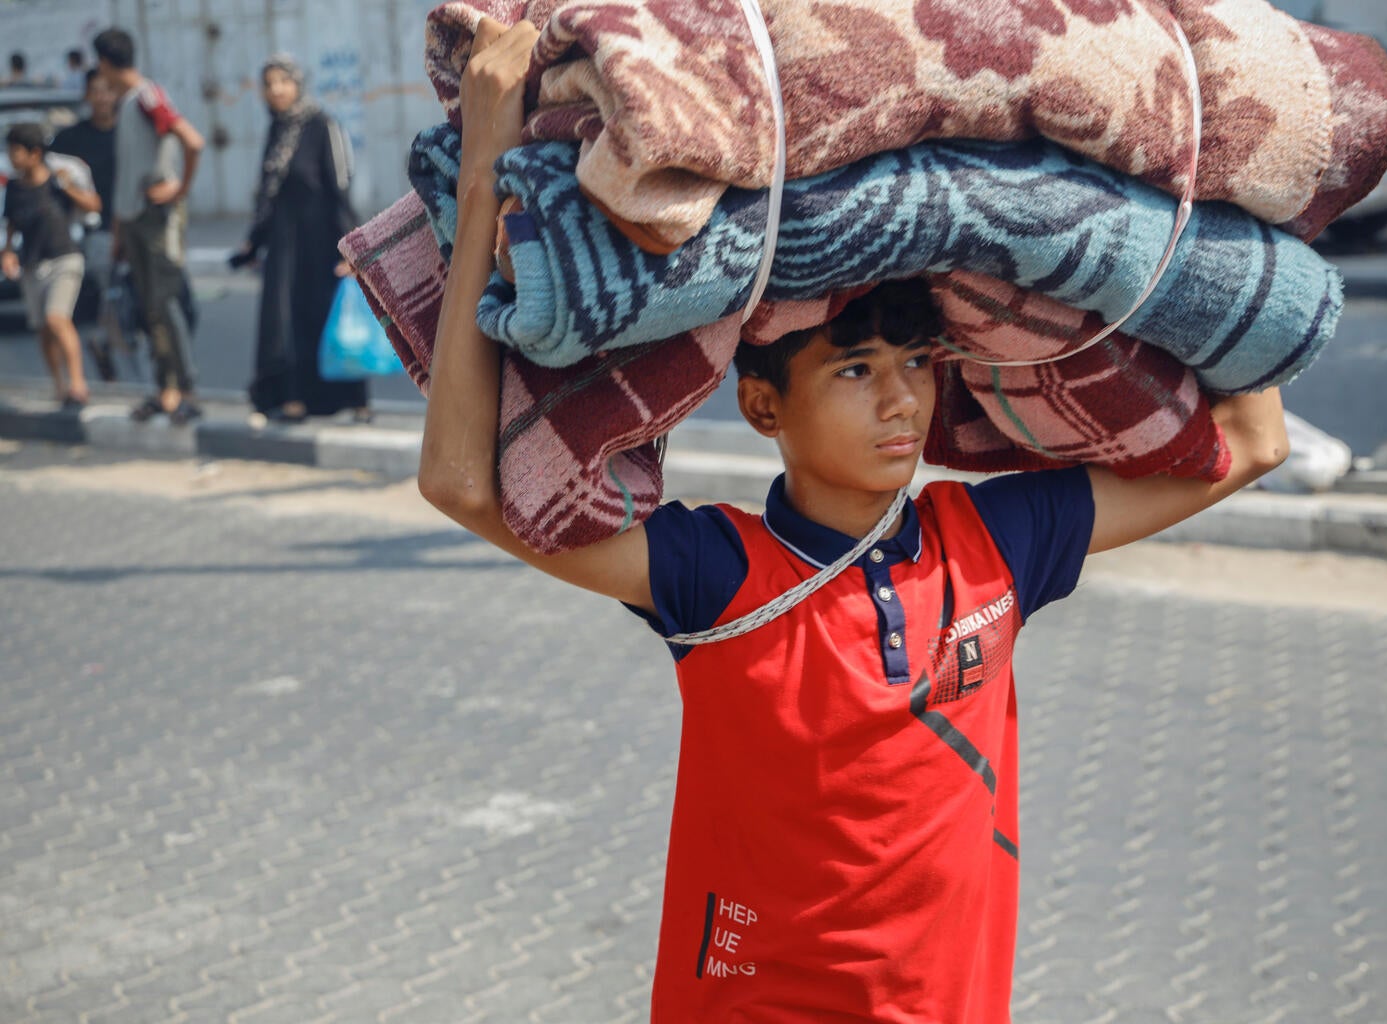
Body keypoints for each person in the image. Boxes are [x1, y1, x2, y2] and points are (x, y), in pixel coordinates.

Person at [418, 21, 1292, 1023]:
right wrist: (485, 169)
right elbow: (462, 487)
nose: (900, 402)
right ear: (762, 409)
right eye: (853, 370)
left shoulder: (996, 545)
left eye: (916, 363)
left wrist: (1219, 176)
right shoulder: (719, 575)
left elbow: (1250, 443)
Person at [230, 54, 368, 424]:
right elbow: (267, 194)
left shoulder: (323, 125)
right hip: (284, 241)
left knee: (327, 315)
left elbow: (340, 188)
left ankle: (355, 402)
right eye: (269, 83)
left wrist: (349, 247)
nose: (276, 89)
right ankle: (293, 400)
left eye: (283, 81)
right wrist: (253, 241)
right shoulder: (276, 129)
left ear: (297, 84)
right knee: (285, 321)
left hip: (322, 239)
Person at [92, 27, 205, 426]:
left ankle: (185, 390)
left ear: (104, 63)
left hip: (156, 219)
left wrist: (180, 189)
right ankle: (166, 390)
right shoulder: (128, 103)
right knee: (150, 309)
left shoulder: (146, 97)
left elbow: (193, 140)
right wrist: (120, 234)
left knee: (166, 306)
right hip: (135, 220)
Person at [2, 122, 100, 409]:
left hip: (64, 258)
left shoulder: (58, 180)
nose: (11, 157)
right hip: (32, 264)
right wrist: (7, 253)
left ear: (34, 153)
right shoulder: (15, 187)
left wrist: (68, 186)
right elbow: (10, 224)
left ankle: (78, 383)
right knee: (43, 328)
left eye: (16, 151)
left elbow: (94, 205)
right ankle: (59, 384)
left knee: (57, 319)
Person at [52, 67, 119, 380]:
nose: (103, 97)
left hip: (131, 227)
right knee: (106, 292)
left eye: (109, 89)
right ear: (87, 95)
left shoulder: (131, 134)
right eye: (96, 90)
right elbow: (48, 176)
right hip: (93, 231)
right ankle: (104, 348)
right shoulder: (70, 139)